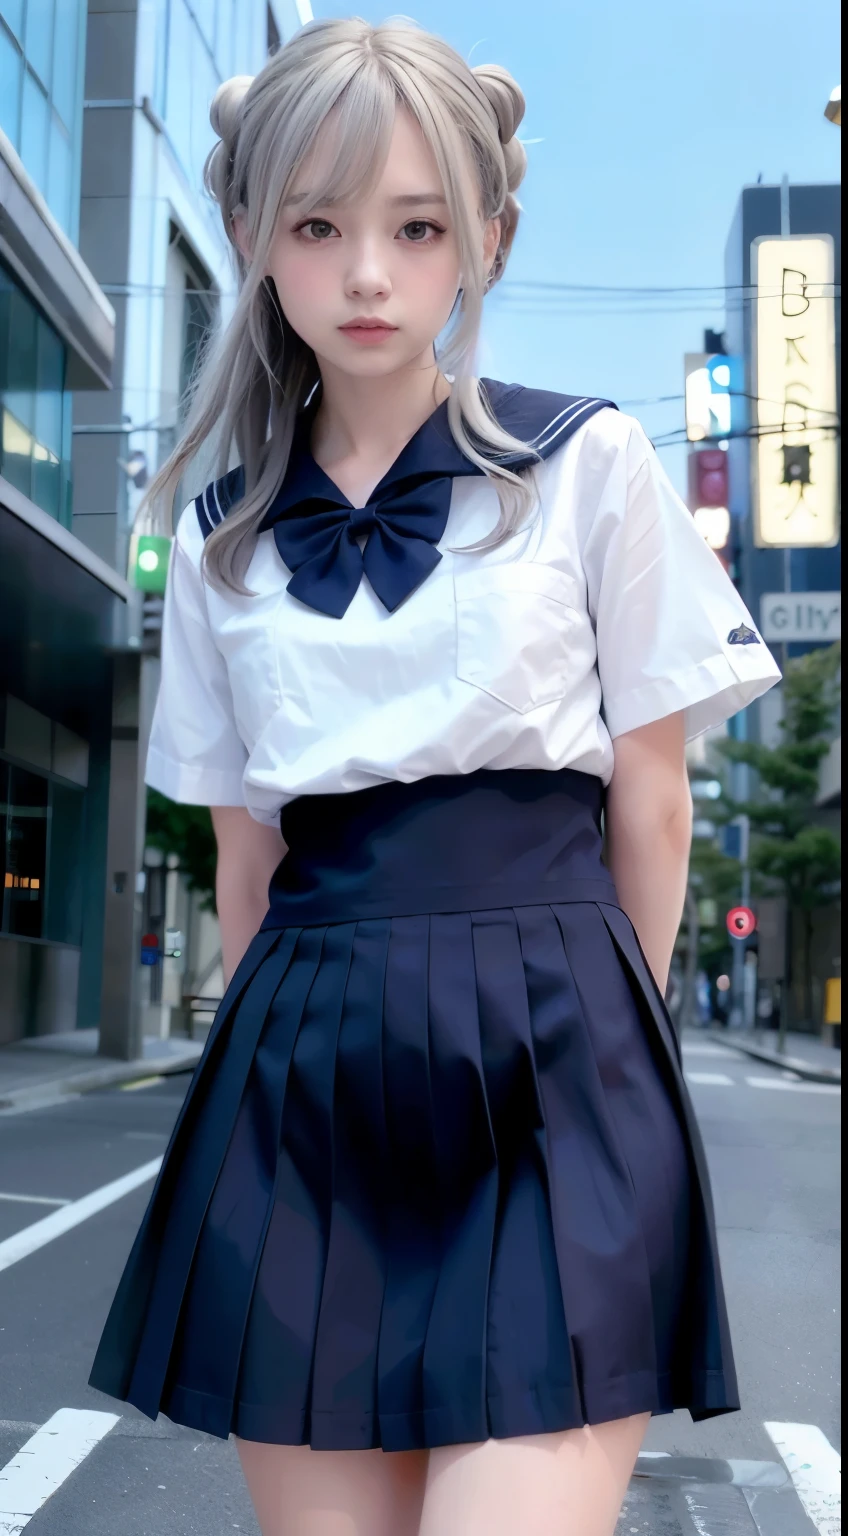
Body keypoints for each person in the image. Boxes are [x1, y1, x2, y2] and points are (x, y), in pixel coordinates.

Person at [89, 18, 781, 1535]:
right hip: (306, 1075)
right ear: (256, 239)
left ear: (488, 236)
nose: (368, 276)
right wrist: (262, 1063)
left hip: (556, 1058)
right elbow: (245, 861)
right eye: (317, 227)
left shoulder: (589, 464)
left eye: (417, 227)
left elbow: (651, 805)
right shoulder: (220, 541)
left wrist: (617, 1051)